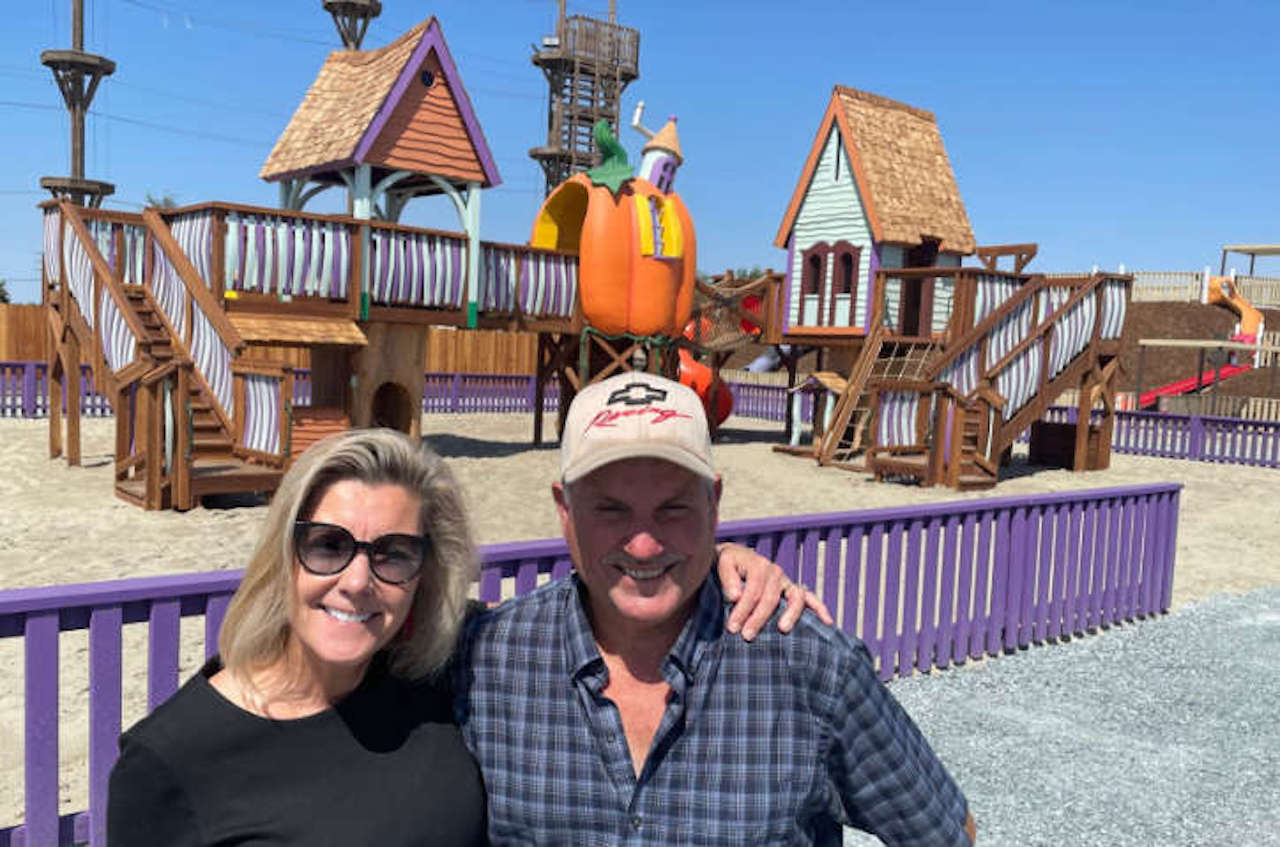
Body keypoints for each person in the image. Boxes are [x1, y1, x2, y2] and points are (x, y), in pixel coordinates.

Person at [107, 427, 826, 845]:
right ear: (283, 553)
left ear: (424, 575)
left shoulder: (443, 672)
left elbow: (611, 595)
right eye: (327, 545)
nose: (357, 580)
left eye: (393, 554)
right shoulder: (174, 760)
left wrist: (715, 564)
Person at [455, 372, 978, 845]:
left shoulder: (809, 665)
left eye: (673, 508)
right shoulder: (488, 661)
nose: (643, 545)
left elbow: (945, 832)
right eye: (610, 509)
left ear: (714, 503)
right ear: (564, 510)